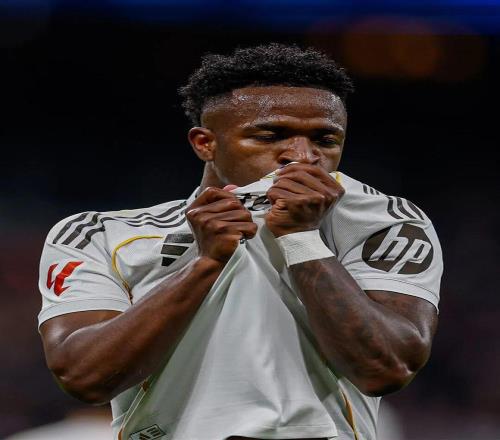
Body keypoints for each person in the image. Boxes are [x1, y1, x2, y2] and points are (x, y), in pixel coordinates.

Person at [38, 43, 443, 440]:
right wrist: (206, 264)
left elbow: (386, 369)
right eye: (270, 135)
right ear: (205, 143)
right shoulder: (101, 234)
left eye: (325, 140)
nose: (302, 156)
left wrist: (302, 239)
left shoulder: (384, 220)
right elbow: (85, 377)